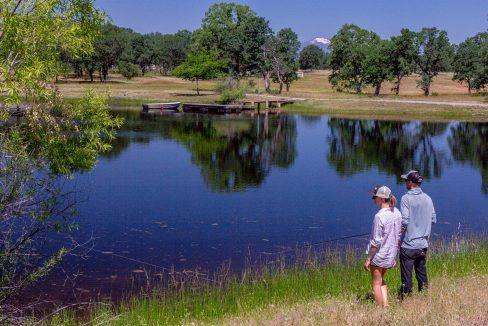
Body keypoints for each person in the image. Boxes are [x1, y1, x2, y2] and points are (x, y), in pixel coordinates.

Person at [399, 170, 436, 297]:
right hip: (423, 245)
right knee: (422, 274)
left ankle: (407, 299)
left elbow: (404, 221)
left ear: (410, 183)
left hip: (408, 246)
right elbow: (433, 219)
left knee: (406, 277)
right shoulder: (428, 199)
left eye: (405, 181)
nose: (405, 183)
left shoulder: (405, 198)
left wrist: (398, 236)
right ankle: (424, 297)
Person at [364, 185, 402, 308]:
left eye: (375, 197)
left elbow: (376, 242)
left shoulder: (379, 216)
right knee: (381, 280)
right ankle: (386, 305)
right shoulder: (396, 212)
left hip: (379, 255)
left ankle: (381, 311)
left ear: (380, 198)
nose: (373, 199)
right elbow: (398, 236)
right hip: (390, 254)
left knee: (376, 283)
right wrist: (394, 256)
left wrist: (369, 258)